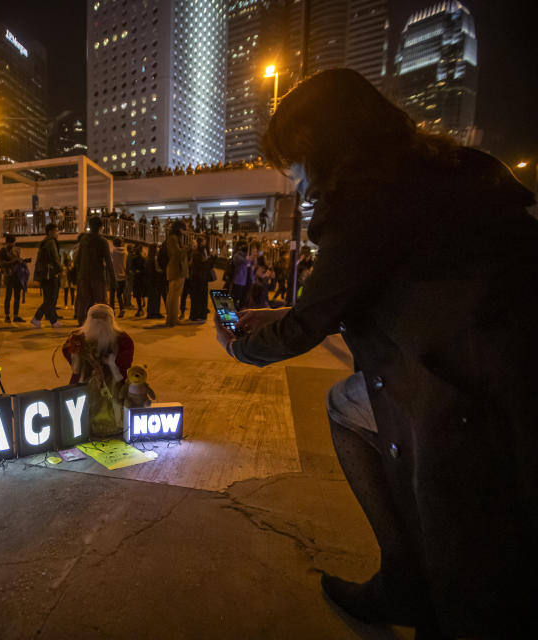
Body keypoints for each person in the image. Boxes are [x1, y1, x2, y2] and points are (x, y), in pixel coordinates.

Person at [215, 68, 538, 638]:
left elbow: (305, 329)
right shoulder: (449, 170)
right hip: (505, 365)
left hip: (462, 392)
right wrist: (284, 318)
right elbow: (384, 295)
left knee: (470, 579)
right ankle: (404, 578)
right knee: (347, 403)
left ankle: (414, 587)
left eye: (291, 163)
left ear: (319, 145)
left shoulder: (365, 200)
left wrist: (243, 349)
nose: (293, 181)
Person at [60, 304, 134, 437]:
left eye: (103, 319)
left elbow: (125, 363)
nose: (99, 323)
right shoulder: (78, 338)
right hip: (85, 383)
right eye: (95, 318)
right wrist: (78, 356)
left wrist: (109, 363)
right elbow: (68, 352)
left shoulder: (122, 339)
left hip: (112, 386)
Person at [72, 217, 115, 326]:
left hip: (83, 275)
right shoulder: (102, 241)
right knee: (100, 302)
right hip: (97, 276)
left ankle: (82, 323)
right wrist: (113, 279)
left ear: (89, 226)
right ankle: (101, 324)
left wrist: (78, 274)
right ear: (101, 227)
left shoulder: (83, 239)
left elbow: (77, 259)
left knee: (84, 301)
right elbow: (108, 261)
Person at [31, 223, 62, 328]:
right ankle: (37, 318)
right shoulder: (51, 242)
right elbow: (55, 258)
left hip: (45, 275)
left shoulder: (44, 243)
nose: (58, 233)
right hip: (50, 274)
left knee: (49, 299)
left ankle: (51, 320)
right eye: (56, 231)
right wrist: (61, 269)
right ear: (50, 232)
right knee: (51, 299)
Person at [164, 220, 188, 326]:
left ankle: (173, 318)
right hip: (176, 270)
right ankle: (171, 320)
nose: (184, 231)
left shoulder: (174, 238)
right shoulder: (173, 238)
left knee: (174, 296)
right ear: (179, 228)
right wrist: (187, 248)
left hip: (177, 270)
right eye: (183, 229)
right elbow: (177, 254)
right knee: (174, 296)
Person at [0, 234, 25, 323]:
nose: (12, 245)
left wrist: (21, 260)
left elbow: (18, 261)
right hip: (8, 275)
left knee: (17, 297)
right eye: (10, 243)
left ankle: (15, 316)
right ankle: (7, 316)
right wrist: (15, 260)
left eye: (13, 243)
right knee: (8, 297)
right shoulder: (1, 252)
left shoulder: (16, 250)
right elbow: (2, 263)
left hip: (17, 276)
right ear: (7, 242)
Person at [186, 236, 211, 322]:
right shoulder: (197, 253)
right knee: (197, 298)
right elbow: (200, 266)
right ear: (200, 243)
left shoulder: (202, 252)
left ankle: (199, 314)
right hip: (198, 279)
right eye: (204, 241)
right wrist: (207, 261)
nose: (205, 243)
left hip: (201, 278)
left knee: (200, 298)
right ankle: (196, 315)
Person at [144, 244, 165, 319]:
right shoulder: (155, 259)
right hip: (155, 280)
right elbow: (157, 270)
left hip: (150, 281)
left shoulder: (148, 259)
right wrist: (162, 271)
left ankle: (150, 313)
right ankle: (155, 312)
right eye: (157, 248)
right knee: (156, 297)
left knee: (151, 298)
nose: (158, 249)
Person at [229, 241, 252, 309]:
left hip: (245, 280)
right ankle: (233, 311)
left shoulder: (244, 256)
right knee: (236, 297)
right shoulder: (237, 255)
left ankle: (239, 310)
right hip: (239, 280)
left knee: (242, 298)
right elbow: (244, 262)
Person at [127, 244, 146, 317]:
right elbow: (145, 269)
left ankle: (140, 308)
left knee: (138, 295)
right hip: (142, 279)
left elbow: (131, 269)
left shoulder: (134, 259)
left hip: (136, 278)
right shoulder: (143, 259)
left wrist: (134, 272)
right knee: (141, 293)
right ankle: (141, 307)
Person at [109, 238, 126, 317]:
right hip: (123, 276)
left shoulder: (113, 252)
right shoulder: (125, 252)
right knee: (119, 295)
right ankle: (122, 308)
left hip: (114, 276)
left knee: (112, 295)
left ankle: (112, 311)